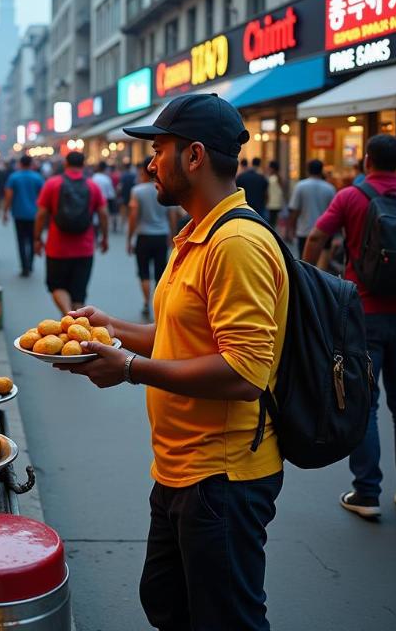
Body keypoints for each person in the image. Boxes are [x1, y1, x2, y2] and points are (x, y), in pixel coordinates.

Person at [54, 93, 287, 631]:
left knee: (225, 619)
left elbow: (246, 372)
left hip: (223, 477)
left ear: (195, 156)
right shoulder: (196, 235)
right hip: (181, 469)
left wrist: (130, 369)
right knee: (167, 602)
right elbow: (180, 337)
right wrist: (113, 329)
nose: (149, 163)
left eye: (159, 149)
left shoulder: (236, 244)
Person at [303, 134, 396, 519]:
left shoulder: (351, 197)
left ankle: (368, 492)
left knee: (366, 403)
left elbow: (316, 236)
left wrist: (312, 279)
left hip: (365, 312)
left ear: (367, 160)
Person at [34, 151, 108, 313]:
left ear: (66, 164)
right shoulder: (92, 186)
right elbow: (103, 213)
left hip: (57, 248)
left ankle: (68, 314)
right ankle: (76, 316)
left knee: (56, 286)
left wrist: (37, 238)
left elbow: (41, 214)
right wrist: (104, 238)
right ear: (83, 165)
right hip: (85, 248)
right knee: (79, 294)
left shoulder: (52, 184)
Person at [128, 156, 178, 318]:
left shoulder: (137, 191)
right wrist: (172, 235)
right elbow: (172, 215)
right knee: (160, 272)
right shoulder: (165, 188)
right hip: (161, 235)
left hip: (143, 236)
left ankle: (145, 302)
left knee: (143, 272)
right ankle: (159, 303)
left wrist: (130, 237)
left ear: (143, 170)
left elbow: (133, 216)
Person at [3, 155, 44, 276]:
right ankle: (30, 264)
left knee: (21, 241)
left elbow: (9, 196)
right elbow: (43, 196)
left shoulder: (14, 177)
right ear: (31, 164)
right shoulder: (37, 177)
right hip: (34, 215)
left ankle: (24, 266)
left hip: (19, 214)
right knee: (32, 240)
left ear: (20, 164)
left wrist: (5, 211)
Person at [287, 159, 335, 257]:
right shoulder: (330, 188)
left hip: (304, 231)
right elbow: (334, 212)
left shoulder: (300, 186)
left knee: (305, 264)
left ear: (308, 170)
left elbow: (294, 210)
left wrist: (291, 228)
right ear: (321, 170)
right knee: (322, 266)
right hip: (324, 232)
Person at [92, 161, 118, 234]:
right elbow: (111, 195)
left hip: (94, 205)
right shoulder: (106, 179)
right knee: (103, 223)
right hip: (104, 205)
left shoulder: (93, 178)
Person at [266, 160, 285, 228]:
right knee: (274, 222)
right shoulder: (279, 177)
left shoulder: (272, 179)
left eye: (269, 167)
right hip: (277, 203)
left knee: (271, 223)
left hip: (272, 203)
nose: (268, 169)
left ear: (272, 168)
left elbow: (267, 191)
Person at [119, 160, 136, 229]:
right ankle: (130, 225)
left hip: (124, 195)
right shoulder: (133, 175)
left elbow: (120, 186)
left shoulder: (123, 175)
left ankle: (122, 226)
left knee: (124, 211)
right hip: (132, 195)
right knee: (130, 211)